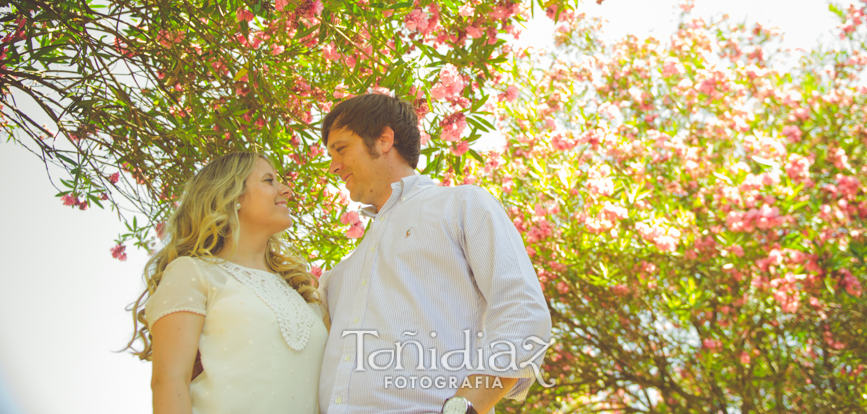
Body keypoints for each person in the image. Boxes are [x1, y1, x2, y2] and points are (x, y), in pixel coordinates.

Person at [318, 93, 552, 414]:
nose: (333, 166)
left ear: (384, 140)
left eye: (341, 149)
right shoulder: (341, 274)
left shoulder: (462, 205)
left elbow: (521, 310)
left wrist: (464, 409)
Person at [126, 151, 327, 414]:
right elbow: (169, 382)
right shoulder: (192, 272)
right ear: (231, 196)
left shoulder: (302, 294)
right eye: (269, 180)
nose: (286, 190)